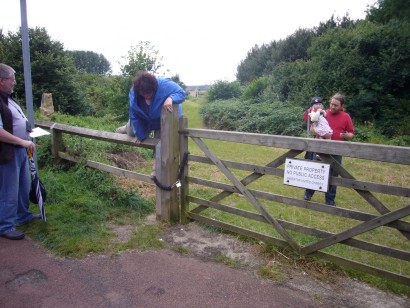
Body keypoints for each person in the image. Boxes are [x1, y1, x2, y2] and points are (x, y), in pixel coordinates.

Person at [115, 71, 186, 176]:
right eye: (143, 94)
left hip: (163, 120)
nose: (147, 97)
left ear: (154, 87)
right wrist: (140, 134)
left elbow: (182, 93)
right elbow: (134, 114)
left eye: (149, 94)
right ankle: (125, 128)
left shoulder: (165, 84)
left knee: (162, 141)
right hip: (143, 118)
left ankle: (155, 170)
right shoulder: (133, 93)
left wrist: (171, 98)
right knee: (131, 132)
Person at [0, 63, 41, 240]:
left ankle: (23, 215)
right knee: (9, 190)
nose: (14, 82)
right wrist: (22, 141)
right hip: (8, 151)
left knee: (23, 186)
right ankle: (5, 226)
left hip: (21, 150)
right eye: (12, 79)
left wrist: (29, 134)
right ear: (1, 81)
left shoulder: (8, 99)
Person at [303, 93, 354, 206]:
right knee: (315, 172)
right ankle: (308, 194)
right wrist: (312, 109)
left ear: (341, 106)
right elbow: (309, 120)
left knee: (333, 176)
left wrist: (346, 135)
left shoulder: (346, 117)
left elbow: (351, 134)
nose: (332, 107)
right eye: (331, 104)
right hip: (320, 149)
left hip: (336, 151)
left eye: (336, 105)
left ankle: (329, 200)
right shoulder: (322, 112)